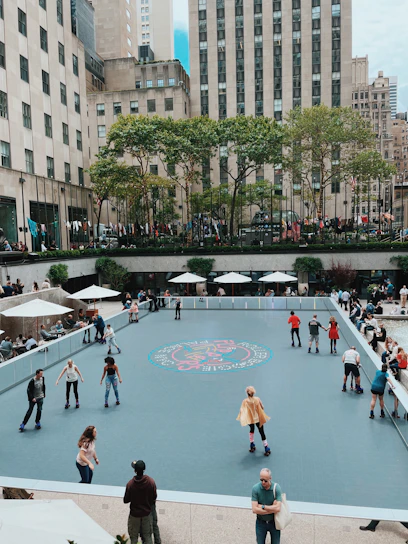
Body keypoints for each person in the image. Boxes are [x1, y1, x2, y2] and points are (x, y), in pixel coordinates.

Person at [124, 459, 158, 544]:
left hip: (134, 515)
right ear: (144, 469)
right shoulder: (151, 482)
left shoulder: (130, 484)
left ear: (135, 471)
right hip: (146, 515)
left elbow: (126, 500)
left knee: (134, 538)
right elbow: (154, 497)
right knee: (147, 537)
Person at [236, 386, 271, 456]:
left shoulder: (245, 401)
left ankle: (252, 444)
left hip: (250, 419)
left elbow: (242, 410)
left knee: (251, 430)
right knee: (262, 432)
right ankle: (266, 447)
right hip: (258, 419)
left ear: (247, 393)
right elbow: (262, 407)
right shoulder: (257, 399)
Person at [251, 468, 282, 544]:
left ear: (270, 478)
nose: (263, 482)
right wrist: (272, 508)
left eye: (265, 480)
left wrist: (262, 507)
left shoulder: (276, 488)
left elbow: (278, 508)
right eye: (261, 480)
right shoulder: (255, 489)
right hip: (260, 522)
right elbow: (254, 510)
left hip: (274, 523)